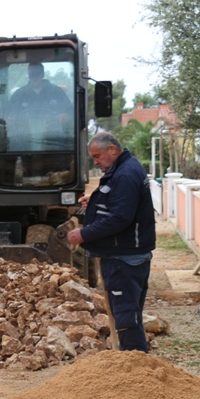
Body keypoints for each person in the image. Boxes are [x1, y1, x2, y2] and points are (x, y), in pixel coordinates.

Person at [66, 132, 156, 352]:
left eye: (97, 156)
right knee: (129, 315)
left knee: (126, 319)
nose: (96, 162)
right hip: (127, 255)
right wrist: (97, 200)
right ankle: (132, 363)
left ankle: (135, 365)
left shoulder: (125, 174)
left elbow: (120, 218)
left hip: (124, 258)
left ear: (112, 150)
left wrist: (84, 234)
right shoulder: (126, 168)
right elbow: (121, 202)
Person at [7, 63, 73, 150]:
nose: (35, 77)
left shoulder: (56, 92)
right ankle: (17, 158)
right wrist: (13, 122)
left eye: (38, 74)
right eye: (32, 74)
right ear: (28, 75)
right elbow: (8, 116)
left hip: (52, 136)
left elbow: (70, 112)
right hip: (24, 136)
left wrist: (64, 117)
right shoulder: (19, 94)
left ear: (42, 75)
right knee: (16, 138)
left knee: (59, 136)